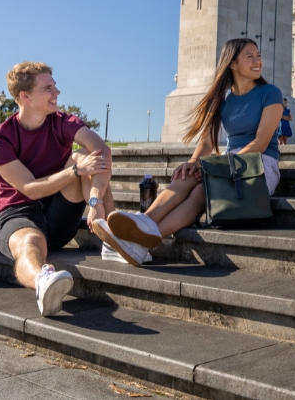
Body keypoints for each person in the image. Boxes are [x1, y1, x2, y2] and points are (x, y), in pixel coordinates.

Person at [0, 62, 143, 317]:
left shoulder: (62, 121)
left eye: (55, 86)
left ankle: (112, 235)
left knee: (84, 155)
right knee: (32, 240)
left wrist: (95, 199)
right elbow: (30, 189)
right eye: (48, 88)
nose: (56, 92)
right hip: (16, 215)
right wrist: (74, 171)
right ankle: (43, 282)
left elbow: (101, 150)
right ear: (24, 96)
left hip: (58, 215)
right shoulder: (0, 138)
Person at [107, 39, 283, 258]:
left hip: (259, 165)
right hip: (230, 164)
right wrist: (192, 162)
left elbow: (260, 143)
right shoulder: (222, 100)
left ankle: (141, 242)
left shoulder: (270, 93)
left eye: (258, 55)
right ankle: (145, 222)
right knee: (188, 176)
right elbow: (207, 143)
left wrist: (216, 167)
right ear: (233, 64)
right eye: (250, 56)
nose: (258, 61)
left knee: (203, 189)